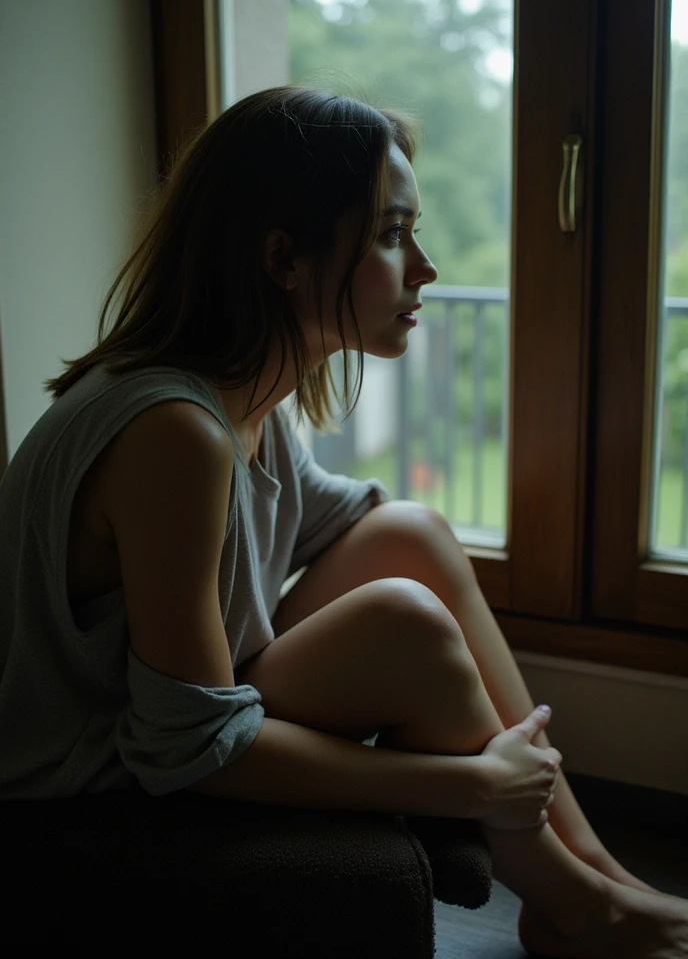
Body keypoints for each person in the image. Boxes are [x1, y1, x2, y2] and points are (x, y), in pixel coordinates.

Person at [0, 86, 685, 957]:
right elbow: (185, 745)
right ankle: (579, 907)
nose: (426, 268)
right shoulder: (174, 432)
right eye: (394, 236)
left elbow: (361, 524)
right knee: (403, 620)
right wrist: (470, 784)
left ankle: (592, 877)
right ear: (283, 258)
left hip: (162, 726)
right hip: (93, 781)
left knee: (414, 535)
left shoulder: (241, 398)